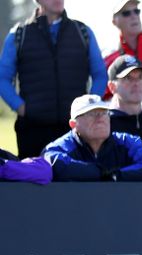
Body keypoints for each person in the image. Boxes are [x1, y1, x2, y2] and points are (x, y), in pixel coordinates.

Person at [0, 0, 107, 158]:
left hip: (75, 131)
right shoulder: (18, 35)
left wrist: (88, 109)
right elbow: (2, 78)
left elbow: (100, 75)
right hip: (32, 130)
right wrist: (21, 107)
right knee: (33, 181)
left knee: (78, 180)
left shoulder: (83, 31)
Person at [43, 94, 142, 182]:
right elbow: (50, 161)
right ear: (74, 125)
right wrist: (99, 173)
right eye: (91, 114)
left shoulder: (126, 141)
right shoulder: (63, 146)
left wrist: (116, 175)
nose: (100, 118)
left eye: (104, 112)